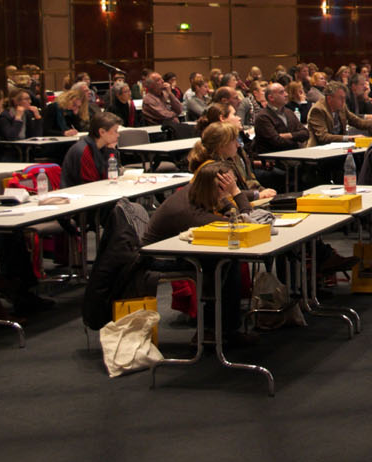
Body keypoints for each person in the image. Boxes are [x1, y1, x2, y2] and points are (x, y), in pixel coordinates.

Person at [140, 160, 251, 345]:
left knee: (226, 260)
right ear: (215, 188)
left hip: (177, 249)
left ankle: (226, 328)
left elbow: (230, 210)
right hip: (156, 258)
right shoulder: (190, 212)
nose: (227, 194)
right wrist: (236, 193)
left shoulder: (197, 192)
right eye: (225, 188)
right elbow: (245, 223)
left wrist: (229, 200)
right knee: (219, 264)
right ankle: (210, 330)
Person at [306, 82, 372, 144]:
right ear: (329, 98)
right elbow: (323, 137)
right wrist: (350, 138)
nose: (344, 101)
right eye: (340, 98)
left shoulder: (342, 106)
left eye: (344, 98)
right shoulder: (318, 110)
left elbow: (356, 121)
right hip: (320, 151)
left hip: (339, 147)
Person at [61, 112, 122, 187]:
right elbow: (91, 184)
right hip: (81, 195)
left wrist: (110, 151)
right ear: (102, 132)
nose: (118, 135)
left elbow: (113, 177)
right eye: (115, 131)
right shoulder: (83, 151)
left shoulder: (104, 148)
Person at [252, 82, 310, 154]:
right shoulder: (263, 117)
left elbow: (305, 133)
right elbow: (276, 141)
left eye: (285, 91)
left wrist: (289, 135)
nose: (286, 94)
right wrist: (297, 140)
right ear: (271, 98)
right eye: (281, 92)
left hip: (293, 154)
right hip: (275, 158)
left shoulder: (289, 112)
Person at [0, 88, 43, 160]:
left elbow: (36, 136)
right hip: (7, 153)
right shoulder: (5, 116)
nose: (30, 101)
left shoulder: (27, 114)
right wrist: (18, 118)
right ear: (16, 101)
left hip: (24, 150)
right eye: (26, 99)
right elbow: (11, 137)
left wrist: (37, 118)